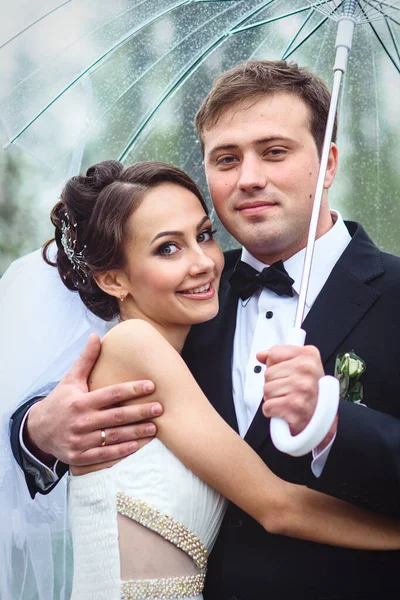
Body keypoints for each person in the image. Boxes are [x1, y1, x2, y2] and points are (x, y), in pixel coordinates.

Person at [7, 60, 400, 598]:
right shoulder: (183, 301)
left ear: (327, 162)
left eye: (275, 151)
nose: (250, 177)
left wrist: (331, 420)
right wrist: (37, 432)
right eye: (227, 159)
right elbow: (68, 371)